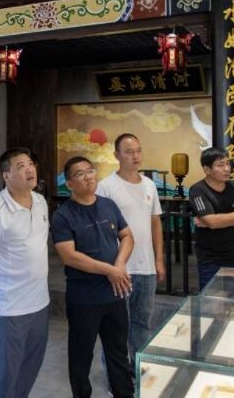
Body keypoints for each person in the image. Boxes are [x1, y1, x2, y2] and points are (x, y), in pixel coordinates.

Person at [0, 147, 50, 398]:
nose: (29, 170)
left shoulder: (40, 201)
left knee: (30, 366)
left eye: (31, 164)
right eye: (20, 166)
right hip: (10, 307)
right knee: (5, 375)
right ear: (6, 175)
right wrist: (0, 275)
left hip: (40, 302)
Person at [52, 156, 135, 398]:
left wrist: (119, 265)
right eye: (80, 174)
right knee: (81, 358)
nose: (88, 176)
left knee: (119, 355)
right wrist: (110, 270)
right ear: (69, 183)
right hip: (84, 299)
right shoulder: (63, 215)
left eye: (90, 171)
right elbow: (70, 256)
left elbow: (127, 236)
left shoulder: (109, 205)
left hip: (115, 294)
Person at [96, 133, 165, 362]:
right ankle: (115, 376)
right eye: (129, 152)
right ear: (116, 155)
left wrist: (159, 260)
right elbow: (100, 231)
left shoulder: (149, 185)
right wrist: (110, 267)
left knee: (142, 323)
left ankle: (138, 369)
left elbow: (155, 223)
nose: (135, 156)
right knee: (117, 327)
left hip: (147, 268)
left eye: (138, 151)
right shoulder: (105, 187)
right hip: (120, 269)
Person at [188, 147, 234, 290]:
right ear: (207, 169)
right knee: (210, 298)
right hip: (210, 258)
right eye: (220, 165)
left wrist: (213, 221)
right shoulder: (197, 190)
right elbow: (212, 222)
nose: (227, 169)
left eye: (228, 163)